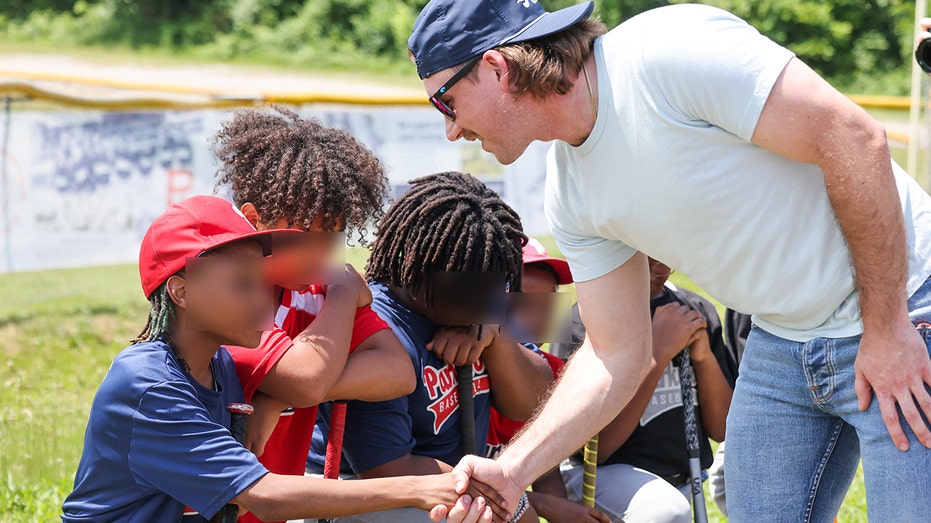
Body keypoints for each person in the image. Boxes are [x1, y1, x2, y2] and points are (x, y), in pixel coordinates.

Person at [409, 1, 931, 521]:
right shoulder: (570, 193)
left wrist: (886, 326)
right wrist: (514, 470)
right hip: (785, 334)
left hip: (903, 302)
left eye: (446, 102)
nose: (451, 130)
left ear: (497, 68)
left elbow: (853, 138)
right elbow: (616, 354)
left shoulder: (667, 51)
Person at [60, 195, 467, 523]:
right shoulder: (148, 386)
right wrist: (419, 488)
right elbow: (267, 497)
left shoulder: (217, 365)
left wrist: (274, 398)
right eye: (242, 284)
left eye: (261, 283)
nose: (262, 301)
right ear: (181, 293)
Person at [209, 107, 417, 523]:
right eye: (309, 236)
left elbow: (399, 370)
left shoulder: (313, 291)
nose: (323, 255)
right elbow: (305, 379)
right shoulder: (224, 291)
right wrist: (343, 294)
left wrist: (276, 397)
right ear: (254, 220)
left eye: (334, 237)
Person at [307, 172, 553, 523]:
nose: (481, 299)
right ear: (423, 265)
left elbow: (535, 403)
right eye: (466, 286)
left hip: (447, 484)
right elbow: (386, 468)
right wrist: (493, 493)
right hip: (360, 495)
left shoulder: (485, 298)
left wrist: (496, 338)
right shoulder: (374, 325)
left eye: (493, 286)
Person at [557, 258, 735, 522]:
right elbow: (599, 449)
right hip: (600, 475)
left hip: (679, 479)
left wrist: (704, 358)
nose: (662, 267)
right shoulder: (585, 318)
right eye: (647, 256)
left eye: (666, 254)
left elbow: (722, 429)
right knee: (666, 511)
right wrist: (657, 354)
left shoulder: (694, 310)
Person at [487, 238, 611, 523]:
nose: (536, 320)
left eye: (547, 307)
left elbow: (547, 472)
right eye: (522, 304)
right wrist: (542, 504)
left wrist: (555, 507)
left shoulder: (552, 372)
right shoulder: (462, 364)